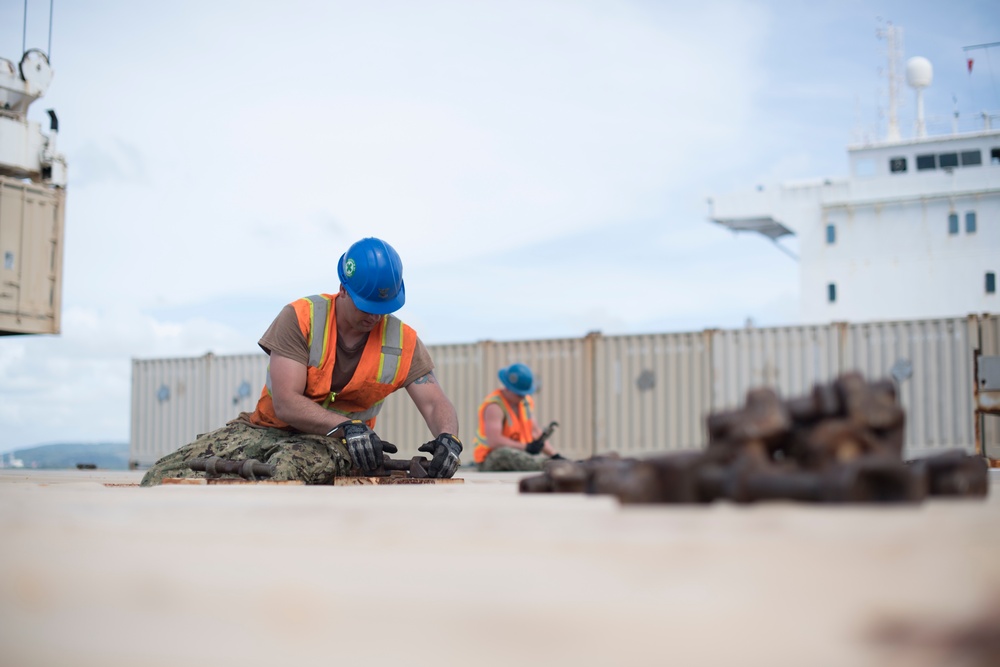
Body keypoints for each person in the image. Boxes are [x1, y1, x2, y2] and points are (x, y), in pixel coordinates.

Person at [141, 237, 462, 486]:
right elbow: (286, 403)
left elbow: (435, 403)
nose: (375, 317)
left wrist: (450, 440)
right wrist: (348, 426)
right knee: (162, 476)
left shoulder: (403, 341)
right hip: (264, 429)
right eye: (367, 307)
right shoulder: (301, 318)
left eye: (384, 308)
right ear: (343, 290)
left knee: (286, 472)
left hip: (333, 444)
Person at [471, 363, 563, 472]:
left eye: (524, 394)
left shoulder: (525, 403)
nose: (522, 397)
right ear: (508, 388)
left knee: (518, 456)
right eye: (519, 394)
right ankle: (552, 466)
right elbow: (495, 442)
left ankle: (557, 463)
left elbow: (535, 433)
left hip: (518, 454)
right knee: (503, 454)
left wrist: (555, 455)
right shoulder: (495, 406)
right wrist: (526, 447)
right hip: (489, 459)